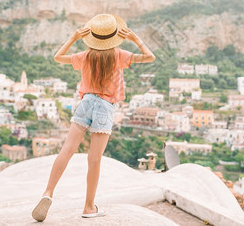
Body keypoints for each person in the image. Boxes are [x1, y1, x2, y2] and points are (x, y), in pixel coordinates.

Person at [31, 13, 155, 221]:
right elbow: (149, 57)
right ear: (114, 36)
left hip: (86, 102)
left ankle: (48, 192)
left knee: (68, 149)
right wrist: (135, 39)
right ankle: (89, 207)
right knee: (94, 159)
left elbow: (57, 57)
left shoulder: (86, 56)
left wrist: (73, 38)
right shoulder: (119, 55)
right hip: (105, 107)